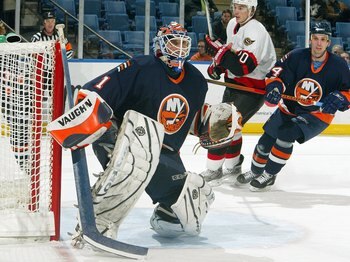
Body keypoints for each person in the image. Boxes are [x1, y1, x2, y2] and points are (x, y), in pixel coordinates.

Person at [48, 22, 241, 241]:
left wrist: (212, 122)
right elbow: (96, 91)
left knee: (194, 204)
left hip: (164, 153)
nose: (178, 48)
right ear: (160, 44)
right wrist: (85, 118)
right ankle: (99, 223)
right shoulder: (141, 67)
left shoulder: (196, 81)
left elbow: (190, 121)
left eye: (182, 43)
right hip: (124, 139)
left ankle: (165, 217)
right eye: (173, 42)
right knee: (135, 161)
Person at [236, 22, 350, 192]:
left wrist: (340, 97)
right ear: (310, 39)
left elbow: (347, 92)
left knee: (286, 134)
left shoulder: (339, 65)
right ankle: (255, 172)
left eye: (323, 39)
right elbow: (276, 75)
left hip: (316, 115)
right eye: (315, 38)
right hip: (288, 108)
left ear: (328, 42)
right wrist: (275, 88)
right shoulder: (296, 56)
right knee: (264, 143)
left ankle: (269, 175)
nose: (318, 43)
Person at [201, 0, 276, 186]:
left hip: (252, 89)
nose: (236, 11)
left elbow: (244, 66)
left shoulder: (255, 31)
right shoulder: (233, 24)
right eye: (235, 6)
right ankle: (233, 166)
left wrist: (220, 54)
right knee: (233, 129)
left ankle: (213, 170)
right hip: (234, 85)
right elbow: (231, 56)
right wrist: (218, 65)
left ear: (252, 10)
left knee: (221, 124)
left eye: (241, 8)